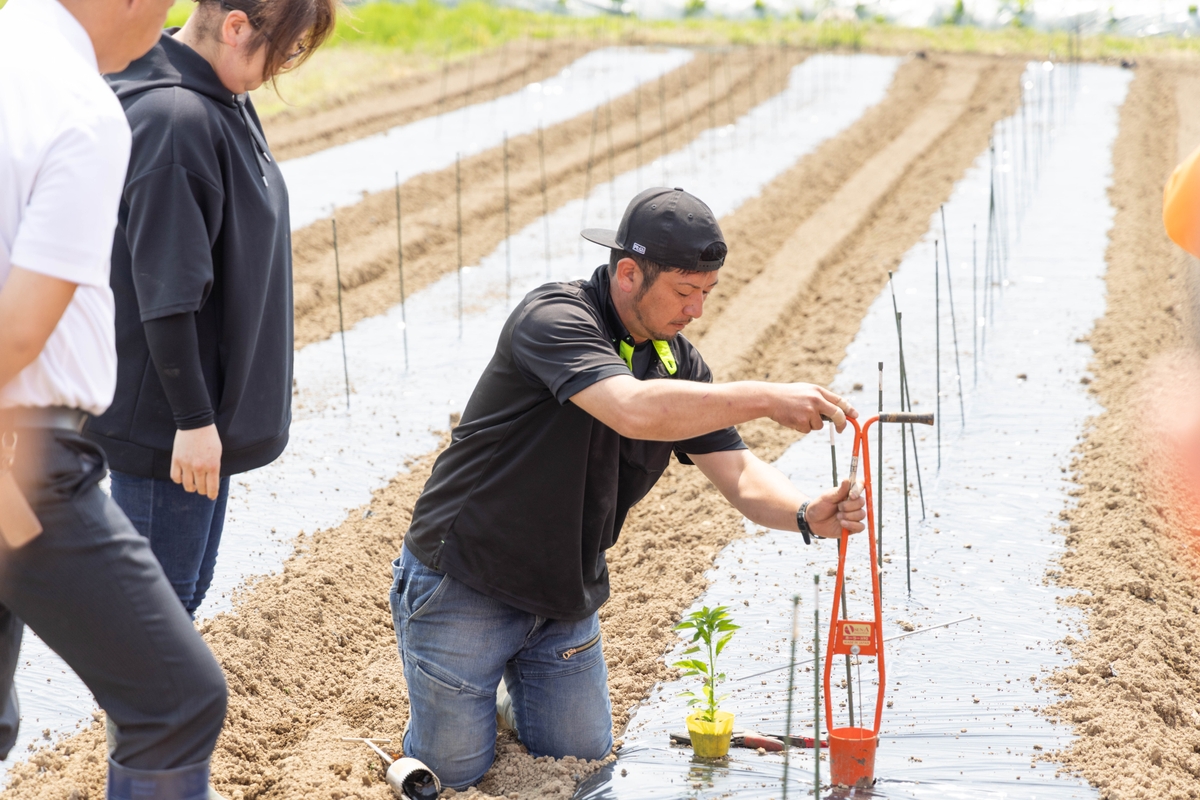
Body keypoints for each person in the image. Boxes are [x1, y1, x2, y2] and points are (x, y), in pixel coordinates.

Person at [389, 187, 867, 789]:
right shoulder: (554, 318)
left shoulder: (677, 365)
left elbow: (740, 474)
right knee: (454, 772)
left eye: (707, 293)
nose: (696, 311)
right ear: (628, 273)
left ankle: (504, 702)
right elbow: (633, 410)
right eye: (684, 291)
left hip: (562, 595)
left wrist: (804, 511)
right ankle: (450, 718)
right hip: (464, 582)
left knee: (583, 763)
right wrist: (768, 395)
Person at [0, 0, 230, 796]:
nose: (170, 19)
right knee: (176, 700)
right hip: (21, 455)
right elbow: (20, 332)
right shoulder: (79, 107)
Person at [83, 0, 335, 617]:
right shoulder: (176, 117)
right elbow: (167, 295)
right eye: (289, 48)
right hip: (167, 428)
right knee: (153, 624)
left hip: (198, 426)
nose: (286, 66)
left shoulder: (221, 97)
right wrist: (193, 423)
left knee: (177, 605)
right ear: (235, 27)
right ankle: (140, 719)